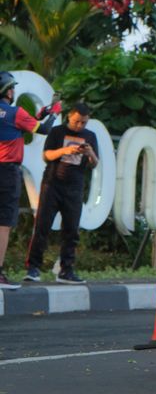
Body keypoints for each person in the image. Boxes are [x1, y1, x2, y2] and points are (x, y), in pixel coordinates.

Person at [24, 102, 98, 285]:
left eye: (83, 122)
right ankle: (33, 267)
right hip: (52, 184)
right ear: (69, 117)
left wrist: (90, 153)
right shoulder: (57, 132)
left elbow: (95, 163)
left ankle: (66, 269)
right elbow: (46, 155)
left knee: (71, 229)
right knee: (42, 226)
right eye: (76, 121)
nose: (79, 125)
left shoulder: (90, 136)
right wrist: (65, 150)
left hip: (75, 186)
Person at [0, 71, 60, 289]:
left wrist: (41, 114)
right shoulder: (15, 112)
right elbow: (43, 129)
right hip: (7, 172)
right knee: (3, 224)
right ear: (7, 91)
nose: (13, 91)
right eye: (12, 88)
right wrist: (53, 113)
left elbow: (18, 125)